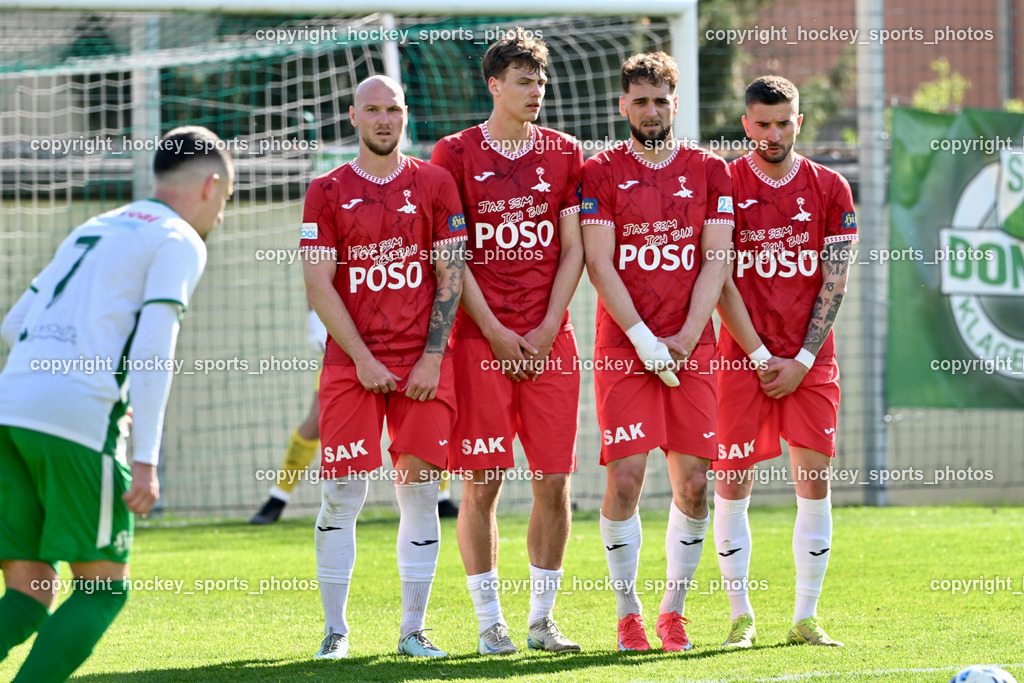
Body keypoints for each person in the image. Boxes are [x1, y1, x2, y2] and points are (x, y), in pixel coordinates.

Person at [0, 126, 233, 682]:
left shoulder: (96, 225)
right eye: (226, 198)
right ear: (211, 185)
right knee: (102, 589)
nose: (222, 215)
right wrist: (146, 459)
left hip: (10, 407)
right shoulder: (178, 239)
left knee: (30, 592)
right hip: (77, 417)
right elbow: (154, 350)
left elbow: (13, 324)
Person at [301, 75, 466, 660]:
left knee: (419, 491)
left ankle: (413, 631)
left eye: (393, 108)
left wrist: (431, 357)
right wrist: (363, 359)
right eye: (372, 109)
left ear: (405, 115)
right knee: (343, 492)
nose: (383, 119)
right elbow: (318, 285)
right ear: (354, 117)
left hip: (423, 364)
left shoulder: (436, 183)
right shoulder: (325, 190)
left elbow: (451, 274)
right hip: (352, 365)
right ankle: (335, 632)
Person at [430, 32, 584, 655]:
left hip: (551, 341)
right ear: (494, 86)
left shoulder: (566, 152)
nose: (536, 90)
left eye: (540, 80)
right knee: (483, 482)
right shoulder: (453, 153)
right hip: (479, 342)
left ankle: (542, 621)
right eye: (524, 80)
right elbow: (452, 254)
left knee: (554, 483)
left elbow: (573, 249)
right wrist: (495, 331)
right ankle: (490, 622)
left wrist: (547, 327)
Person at [581, 52, 734, 652]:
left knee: (694, 483)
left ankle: (674, 611)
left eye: (660, 101)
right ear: (623, 105)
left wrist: (688, 337)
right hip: (626, 346)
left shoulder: (710, 170)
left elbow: (717, 258)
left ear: (676, 104)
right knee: (626, 478)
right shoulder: (599, 171)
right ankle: (628, 614)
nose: (651, 111)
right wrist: (644, 340)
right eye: (640, 101)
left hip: (692, 346)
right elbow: (599, 262)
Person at [713, 75, 856, 648]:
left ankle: (805, 617)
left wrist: (800, 358)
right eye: (762, 124)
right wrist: (758, 354)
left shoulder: (831, 187)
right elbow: (718, 277)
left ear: (799, 121)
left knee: (814, 482)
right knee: (731, 483)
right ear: (745, 124)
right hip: (739, 358)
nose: (772, 134)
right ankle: (741, 617)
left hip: (810, 360)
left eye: (783, 123)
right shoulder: (724, 183)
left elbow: (835, 280)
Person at [249, 309, 459, 524]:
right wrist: (316, 321)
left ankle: (440, 497)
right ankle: (278, 496)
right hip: (348, 350)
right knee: (316, 422)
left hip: (407, 347)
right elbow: (317, 290)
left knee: (427, 421)